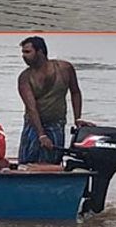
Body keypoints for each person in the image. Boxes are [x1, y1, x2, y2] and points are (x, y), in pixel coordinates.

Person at [17, 36, 94, 165]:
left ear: (40, 52)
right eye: (23, 52)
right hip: (33, 125)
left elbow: (75, 92)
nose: (23, 56)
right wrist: (41, 135)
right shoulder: (25, 78)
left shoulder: (64, 68)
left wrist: (77, 119)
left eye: (27, 52)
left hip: (56, 123)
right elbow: (31, 108)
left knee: (52, 160)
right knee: (27, 162)